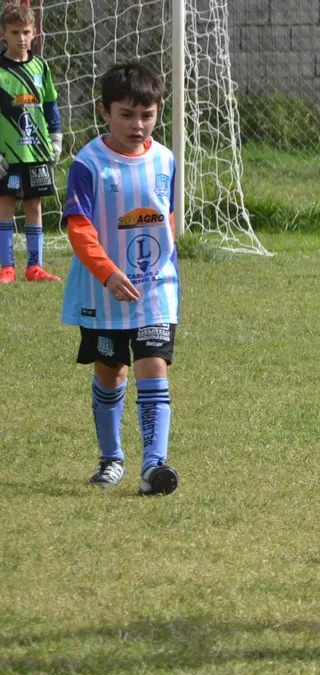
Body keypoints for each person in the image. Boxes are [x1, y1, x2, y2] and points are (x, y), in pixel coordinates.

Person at [60, 61, 180, 497]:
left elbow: (166, 218)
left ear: (158, 111)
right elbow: (79, 228)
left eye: (147, 115)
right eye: (126, 115)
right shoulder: (89, 164)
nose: (137, 125)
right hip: (103, 292)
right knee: (111, 372)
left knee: (153, 365)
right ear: (104, 111)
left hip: (155, 289)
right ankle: (111, 459)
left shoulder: (165, 159)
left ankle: (153, 466)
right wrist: (108, 272)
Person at [0, 2, 62, 283]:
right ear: (4, 34)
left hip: (36, 151)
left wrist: (56, 138)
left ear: (34, 33)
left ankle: (34, 267)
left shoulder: (41, 66)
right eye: (15, 32)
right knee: (6, 205)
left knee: (34, 206)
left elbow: (50, 105)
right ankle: (7, 268)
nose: (21, 38)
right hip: (8, 155)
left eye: (26, 32)